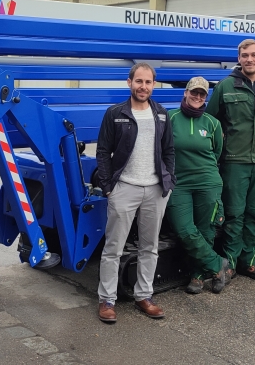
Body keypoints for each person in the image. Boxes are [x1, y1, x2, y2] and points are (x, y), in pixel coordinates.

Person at [95, 63, 175, 323]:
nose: (143, 86)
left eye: (148, 82)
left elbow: (169, 151)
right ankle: (107, 300)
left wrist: (168, 182)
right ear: (129, 83)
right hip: (124, 188)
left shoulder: (161, 114)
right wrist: (108, 187)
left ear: (154, 84)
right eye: (138, 81)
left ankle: (144, 295)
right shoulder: (115, 113)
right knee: (113, 247)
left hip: (155, 189)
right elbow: (103, 151)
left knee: (149, 247)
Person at [206, 39, 255, 283]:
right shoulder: (225, 87)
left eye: (254, 55)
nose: (249, 59)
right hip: (234, 162)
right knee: (234, 215)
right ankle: (229, 264)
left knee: (254, 215)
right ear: (239, 58)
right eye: (245, 55)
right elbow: (211, 123)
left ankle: (248, 262)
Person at [166, 76, 231, 295]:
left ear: (206, 97)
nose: (197, 96)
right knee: (183, 228)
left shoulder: (213, 123)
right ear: (185, 93)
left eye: (202, 94)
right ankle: (217, 264)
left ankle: (198, 276)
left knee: (206, 230)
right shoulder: (170, 118)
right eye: (194, 92)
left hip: (207, 182)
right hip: (179, 183)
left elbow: (217, 152)